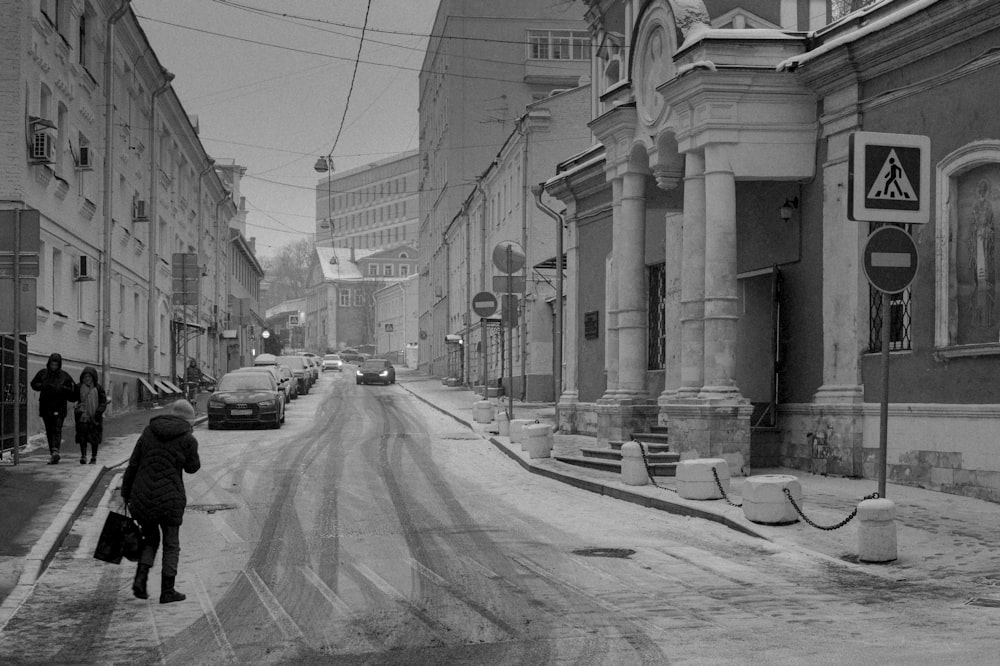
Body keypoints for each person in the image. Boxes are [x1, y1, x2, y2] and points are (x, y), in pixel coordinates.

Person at [121, 398, 201, 604]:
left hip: (142, 495)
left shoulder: (149, 432)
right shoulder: (188, 440)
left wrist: (126, 493)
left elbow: (133, 464)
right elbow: (193, 468)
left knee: (150, 539)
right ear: (188, 421)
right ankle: (168, 591)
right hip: (170, 499)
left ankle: (140, 579)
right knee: (171, 543)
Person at [30, 353, 76, 464]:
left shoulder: (64, 376)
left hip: (60, 407)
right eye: (52, 364)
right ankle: (53, 454)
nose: (54, 366)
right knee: (49, 430)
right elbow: (33, 384)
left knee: (57, 428)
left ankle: (56, 451)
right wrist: (42, 386)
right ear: (49, 363)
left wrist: (63, 388)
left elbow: (72, 388)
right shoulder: (43, 373)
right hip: (46, 407)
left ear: (59, 365)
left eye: (56, 364)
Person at [72, 366, 107, 465]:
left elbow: (103, 402)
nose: (87, 379)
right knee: (82, 436)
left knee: (94, 437)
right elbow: (73, 397)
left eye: (89, 377)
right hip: (82, 416)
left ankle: (94, 457)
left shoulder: (98, 388)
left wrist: (98, 412)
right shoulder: (79, 387)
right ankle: (83, 456)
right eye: (85, 377)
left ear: (93, 377)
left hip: (95, 417)